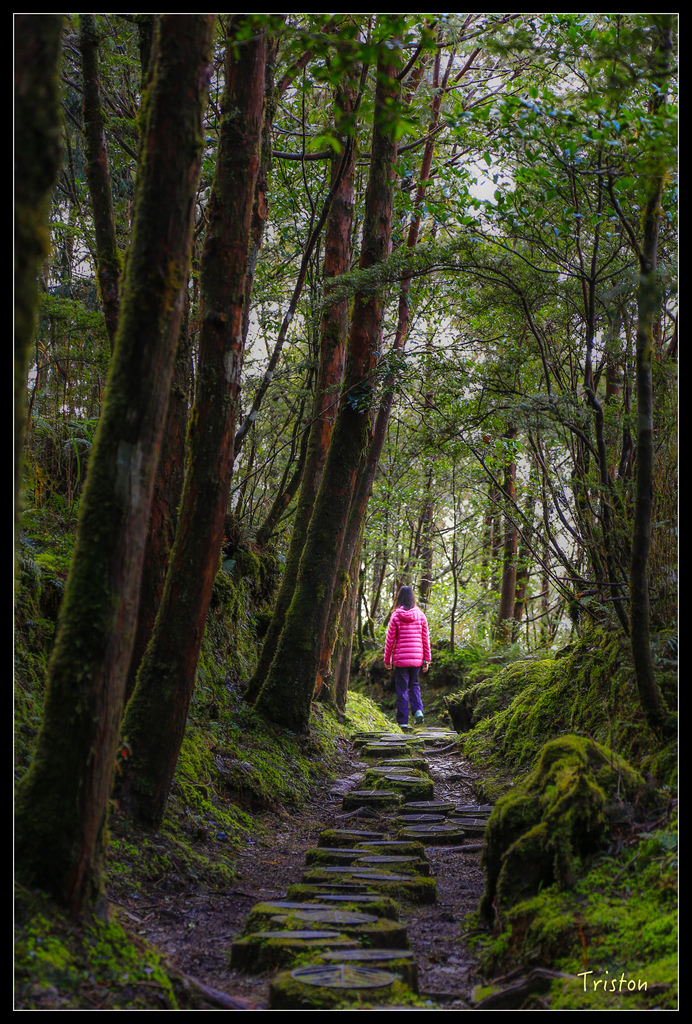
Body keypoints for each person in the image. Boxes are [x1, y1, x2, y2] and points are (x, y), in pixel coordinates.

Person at [383, 585, 431, 727]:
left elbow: (390, 639)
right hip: (416, 658)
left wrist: (387, 659)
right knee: (414, 684)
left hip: (401, 659)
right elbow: (425, 639)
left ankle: (403, 722)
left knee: (402, 688)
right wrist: (426, 659)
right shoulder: (421, 615)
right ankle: (418, 711)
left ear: (399, 598)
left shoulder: (396, 615)